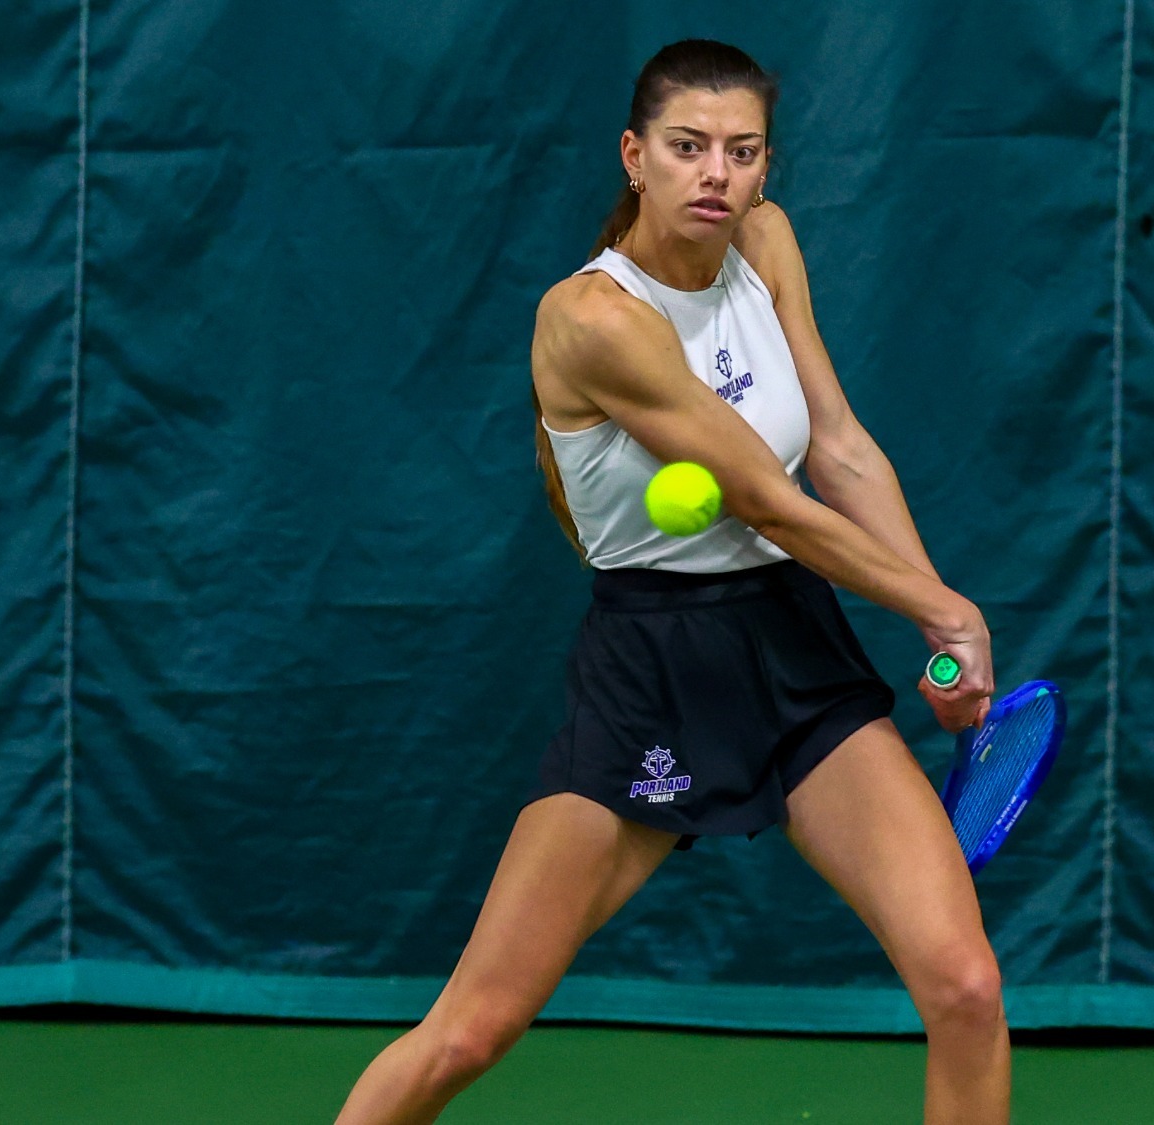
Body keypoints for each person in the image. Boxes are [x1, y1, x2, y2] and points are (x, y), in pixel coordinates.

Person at [334, 39, 1008, 1125]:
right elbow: (766, 499)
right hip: (653, 665)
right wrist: (942, 607)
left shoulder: (768, 244)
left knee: (965, 986)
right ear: (633, 155)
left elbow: (835, 450)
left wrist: (945, 630)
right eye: (688, 148)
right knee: (474, 1027)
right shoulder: (592, 320)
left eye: (742, 152)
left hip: (793, 644)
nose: (717, 176)